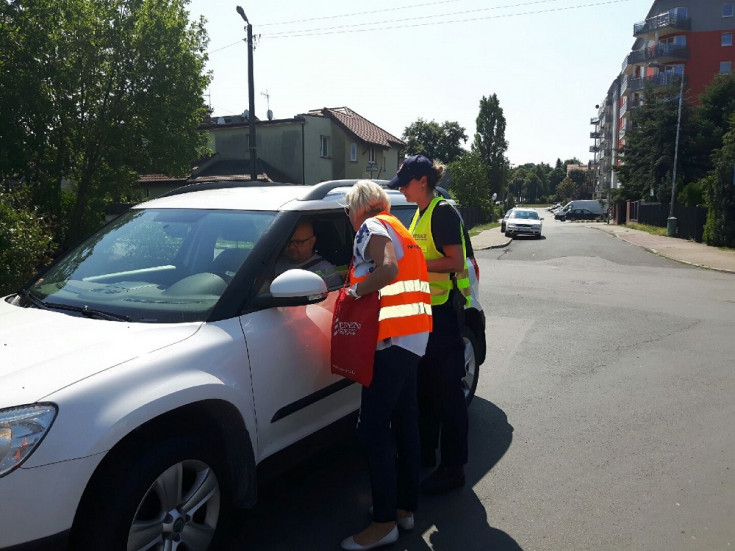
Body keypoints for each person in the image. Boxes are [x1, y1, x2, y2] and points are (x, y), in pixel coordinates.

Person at [339, 180, 432, 551]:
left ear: (357, 208)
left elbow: (388, 270)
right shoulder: (400, 228)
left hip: (390, 342)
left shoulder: (370, 227)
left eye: (347, 212)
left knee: (371, 429)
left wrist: (353, 291)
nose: (348, 219)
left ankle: (382, 523)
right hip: (413, 338)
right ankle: (404, 509)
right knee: (405, 421)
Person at [388, 154, 471, 496]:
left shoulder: (442, 212)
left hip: (445, 316)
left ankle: (453, 470)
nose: (402, 190)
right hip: (425, 314)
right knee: (427, 389)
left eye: (405, 184)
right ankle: (426, 454)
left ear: (423, 181)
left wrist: (416, 262)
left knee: (448, 393)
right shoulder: (420, 213)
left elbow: (456, 261)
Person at [275, 220, 342, 287]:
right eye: (288, 241)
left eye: (298, 242)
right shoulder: (274, 264)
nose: (292, 246)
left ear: (312, 242)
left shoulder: (326, 271)